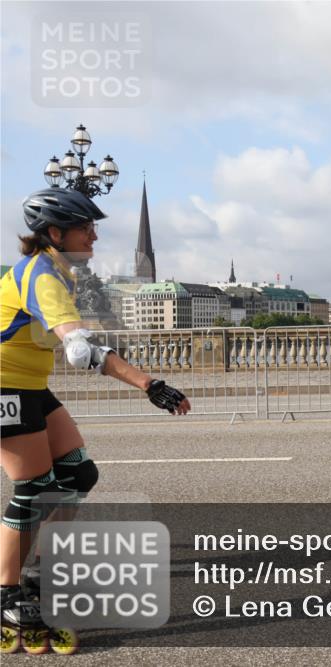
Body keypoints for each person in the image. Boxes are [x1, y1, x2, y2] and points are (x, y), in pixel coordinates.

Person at [0, 187, 191, 643]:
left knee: (78, 474)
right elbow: (79, 347)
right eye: (86, 228)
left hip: (27, 384)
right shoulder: (42, 274)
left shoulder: (59, 271)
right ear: (55, 232)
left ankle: (45, 574)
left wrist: (150, 384)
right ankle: (5, 596)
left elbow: (78, 344)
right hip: (5, 385)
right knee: (33, 490)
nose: (95, 237)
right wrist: (142, 380)